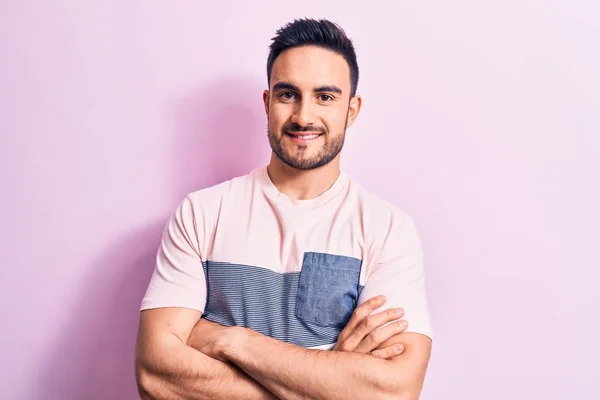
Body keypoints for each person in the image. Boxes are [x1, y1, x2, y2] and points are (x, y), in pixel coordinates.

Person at [135, 18, 433, 400]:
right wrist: (328, 380)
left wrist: (232, 341)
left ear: (352, 110)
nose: (304, 116)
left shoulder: (387, 229)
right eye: (288, 94)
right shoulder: (202, 213)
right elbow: (156, 376)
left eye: (325, 96)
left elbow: (393, 391)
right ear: (267, 102)